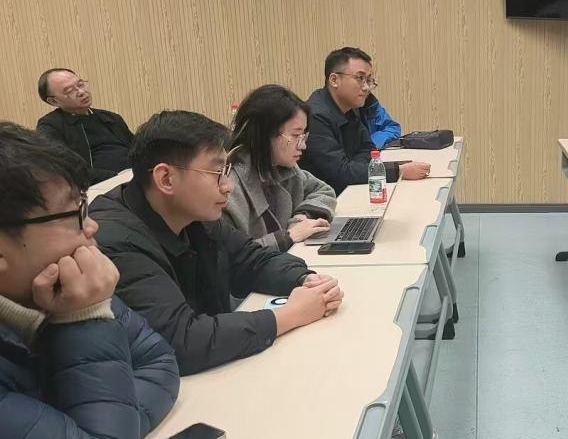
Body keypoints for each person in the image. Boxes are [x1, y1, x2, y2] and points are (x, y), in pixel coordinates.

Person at [0, 123, 179, 439]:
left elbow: (158, 360)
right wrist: (82, 319)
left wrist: (89, 431)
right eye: (73, 214)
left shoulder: (58, 287)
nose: (92, 226)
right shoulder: (75, 302)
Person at [90, 110, 343, 375]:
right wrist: (290, 315)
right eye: (217, 172)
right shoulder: (115, 240)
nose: (228, 186)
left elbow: (253, 259)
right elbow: (181, 342)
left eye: (227, 171)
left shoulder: (194, 214)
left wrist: (307, 280)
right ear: (166, 179)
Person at [301, 47, 430, 192]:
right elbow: (340, 173)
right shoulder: (315, 116)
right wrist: (398, 171)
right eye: (360, 78)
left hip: (349, 189)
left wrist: (352, 167)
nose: (367, 87)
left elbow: (369, 149)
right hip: (323, 197)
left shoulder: (351, 107)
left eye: (368, 80)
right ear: (334, 80)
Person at [224, 85, 336, 250]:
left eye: (304, 135)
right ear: (265, 134)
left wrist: (301, 217)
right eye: (296, 135)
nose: (303, 145)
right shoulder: (228, 186)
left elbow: (323, 191)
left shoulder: (286, 168)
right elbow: (233, 256)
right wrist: (287, 237)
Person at [36, 68, 134, 183]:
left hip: (133, 175)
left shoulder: (111, 118)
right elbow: (65, 168)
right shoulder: (50, 126)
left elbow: (137, 149)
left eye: (80, 84)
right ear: (53, 101)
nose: (81, 92)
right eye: (69, 91)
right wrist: (116, 177)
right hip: (101, 184)